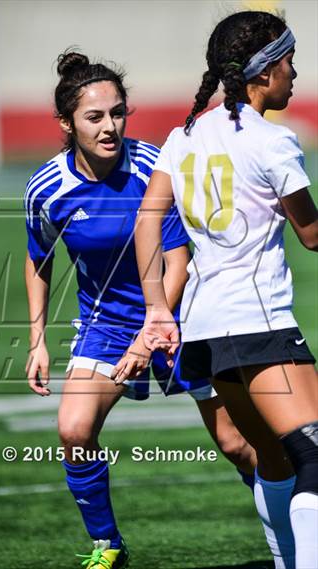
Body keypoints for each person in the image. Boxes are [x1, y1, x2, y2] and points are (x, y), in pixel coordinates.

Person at [24, 50, 257, 569]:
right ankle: (108, 546)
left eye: (118, 112)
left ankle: (295, 536)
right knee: (74, 429)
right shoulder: (47, 188)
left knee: (238, 443)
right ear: (66, 123)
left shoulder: (156, 166)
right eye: (94, 117)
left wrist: (150, 334)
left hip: (183, 314)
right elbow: (37, 258)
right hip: (106, 324)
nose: (110, 127)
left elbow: (178, 264)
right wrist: (37, 339)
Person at [134, 11, 318, 569]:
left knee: (274, 457)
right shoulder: (273, 141)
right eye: (288, 61)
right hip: (259, 326)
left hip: (205, 332)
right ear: (263, 73)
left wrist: (157, 308)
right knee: (311, 453)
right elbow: (312, 236)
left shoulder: (182, 136)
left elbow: (148, 218)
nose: (295, 72)